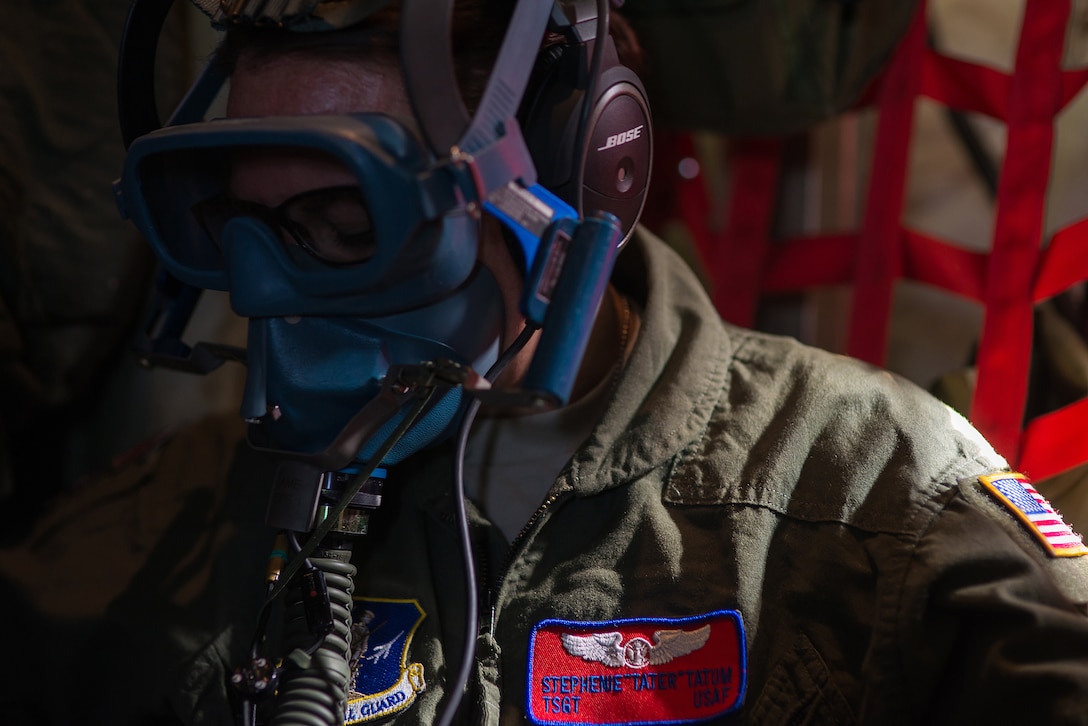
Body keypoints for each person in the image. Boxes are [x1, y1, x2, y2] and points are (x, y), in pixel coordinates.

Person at [3, 1, 1088, 725]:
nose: (266, 294)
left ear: (582, 175)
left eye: (345, 221)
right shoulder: (133, 548)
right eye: (235, 221)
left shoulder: (867, 496)